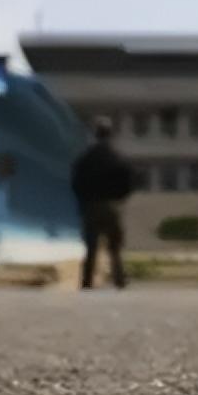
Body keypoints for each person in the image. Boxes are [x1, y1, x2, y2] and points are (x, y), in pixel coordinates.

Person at [71, 118, 135, 289]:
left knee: (91, 247)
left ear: (95, 135)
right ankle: (119, 280)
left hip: (91, 205)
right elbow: (129, 180)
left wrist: (83, 201)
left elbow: (76, 182)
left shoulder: (86, 158)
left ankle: (87, 282)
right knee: (115, 247)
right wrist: (120, 198)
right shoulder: (118, 157)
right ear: (111, 135)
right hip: (113, 205)